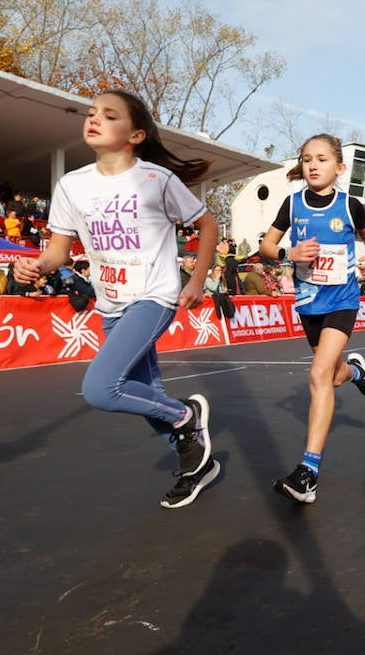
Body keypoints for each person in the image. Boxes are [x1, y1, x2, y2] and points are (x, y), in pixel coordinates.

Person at [12, 89, 220, 510]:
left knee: (102, 389)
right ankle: (196, 464)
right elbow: (59, 250)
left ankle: (186, 417)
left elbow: (208, 225)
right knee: (146, 393)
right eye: (91, 114)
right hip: (110, 302)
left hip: (154, 295)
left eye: (109, 115)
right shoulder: (72, 185)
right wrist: (37, 266)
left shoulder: (155, 180)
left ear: (136, 134)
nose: (94, 119)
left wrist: (196, 280)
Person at [259, 133, 365, 504]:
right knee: (332, 374)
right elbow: (266, 248)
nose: (313, 165)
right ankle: (355, 372)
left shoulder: (349, 205)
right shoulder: (292, 204)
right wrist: (287, 253)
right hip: (309, 302)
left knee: (316, 374)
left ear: (339, 167)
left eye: (322, 159)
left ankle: (308, 472)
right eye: (307, 158)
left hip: (342, 298)